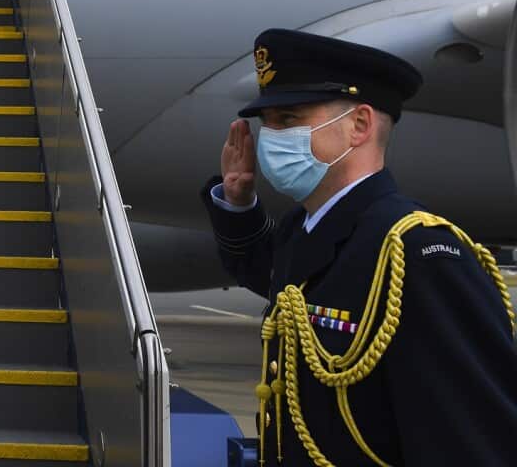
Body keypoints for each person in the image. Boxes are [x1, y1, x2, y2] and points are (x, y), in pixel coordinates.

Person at [202, 28, 517, 465]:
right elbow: (276, 278)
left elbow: (472, 438)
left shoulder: (417, 252)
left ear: (360, 125)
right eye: (267, 123)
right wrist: (237, 204)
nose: (270, 138)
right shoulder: (306, 227)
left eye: (289, 120)